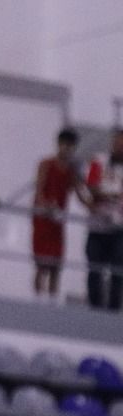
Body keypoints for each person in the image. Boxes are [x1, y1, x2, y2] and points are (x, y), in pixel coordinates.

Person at [31, 128, 89, 298]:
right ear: (58, 144)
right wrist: (47, 205)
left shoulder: (72, 171)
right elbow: (39, 191)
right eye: (64, 144)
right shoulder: (46, 164)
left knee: (56, 265)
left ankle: (52, 300)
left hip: (58, 222)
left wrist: (94, 207)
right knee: (41, 264)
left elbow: (80, 194)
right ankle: (38, 299)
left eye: (70, 146)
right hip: (43, 219)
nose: (66, 149)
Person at [85, 129, 123, 310]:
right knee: (95, 269)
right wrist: (111, 195)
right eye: (117, 143)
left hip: (119, 227)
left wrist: (106, 195)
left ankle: (113, 309)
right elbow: (91, 187)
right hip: (97, 226)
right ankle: (95, 307)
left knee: (117, 271)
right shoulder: (99, 161)